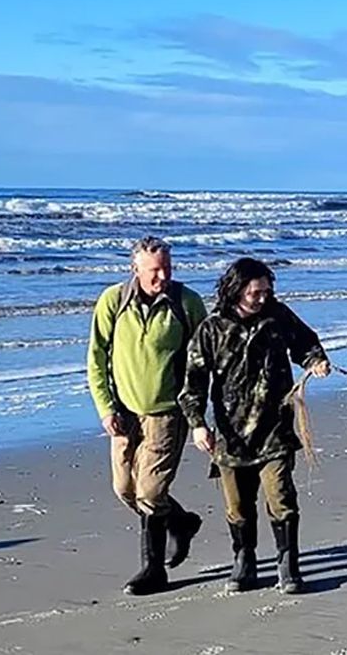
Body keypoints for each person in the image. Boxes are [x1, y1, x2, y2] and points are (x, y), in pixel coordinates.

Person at [179, 257, 332, 594]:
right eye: (255, 293)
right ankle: (244, 560)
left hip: (275, 429)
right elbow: (193, 383)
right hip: (231, 436)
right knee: (237, 506)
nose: (263, 298)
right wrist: (198, 425)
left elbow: (305, 342)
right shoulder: (212, 329)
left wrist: (316, 360)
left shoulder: (278, 316)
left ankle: (288, 565)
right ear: (236, 291)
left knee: (281, 498)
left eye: (267, 290)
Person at [86, 236, 209, 596]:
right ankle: (182, 522)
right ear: (135, 269)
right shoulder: (113, 301)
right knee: (124, 489)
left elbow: (203, 361)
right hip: (124, 413)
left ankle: (153, 570)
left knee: (151, 492)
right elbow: (96, 358)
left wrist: (198, 412)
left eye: (167, 268)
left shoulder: (187, 303)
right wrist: (106, 407)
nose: (162, 276)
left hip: (168, 413)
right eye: (154, 270)